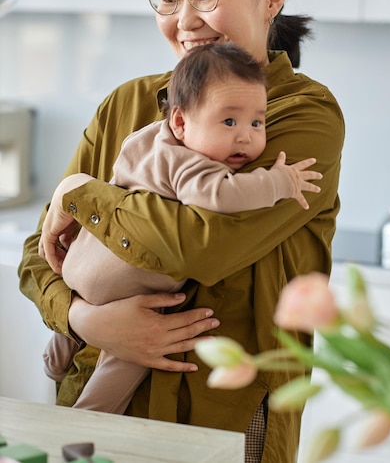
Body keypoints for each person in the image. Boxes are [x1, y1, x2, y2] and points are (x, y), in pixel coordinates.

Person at [19, 0, 345, 463]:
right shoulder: (126, 104)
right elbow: (37, 254)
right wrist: (84, 320)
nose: (185, 19)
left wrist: (81, 195)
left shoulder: (301, 116)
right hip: (95, 403)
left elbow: (203, 244)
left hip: (226, 419)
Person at [42, 43, 322, 415]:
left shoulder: (145, 139)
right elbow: (221, 194)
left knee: (88, 309)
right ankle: (91, 414)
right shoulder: (191, 164)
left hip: (84, 264)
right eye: (229, 122)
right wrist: (279, 183)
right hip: (128, 282)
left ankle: (57, 354)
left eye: (257, 122)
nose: (245, 137)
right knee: (134, 353)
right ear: (180, 122)